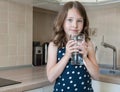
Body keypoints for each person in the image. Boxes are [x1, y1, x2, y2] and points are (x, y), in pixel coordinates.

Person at [46, 1, 99, 92]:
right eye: (70, 20)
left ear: (84, 23)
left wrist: (85, 58)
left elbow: (96, 75)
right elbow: (50, 77)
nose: (75, 25)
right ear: (62, 21)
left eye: (79, 21)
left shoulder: (88, 44)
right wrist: (66, 56)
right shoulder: (54, 45)